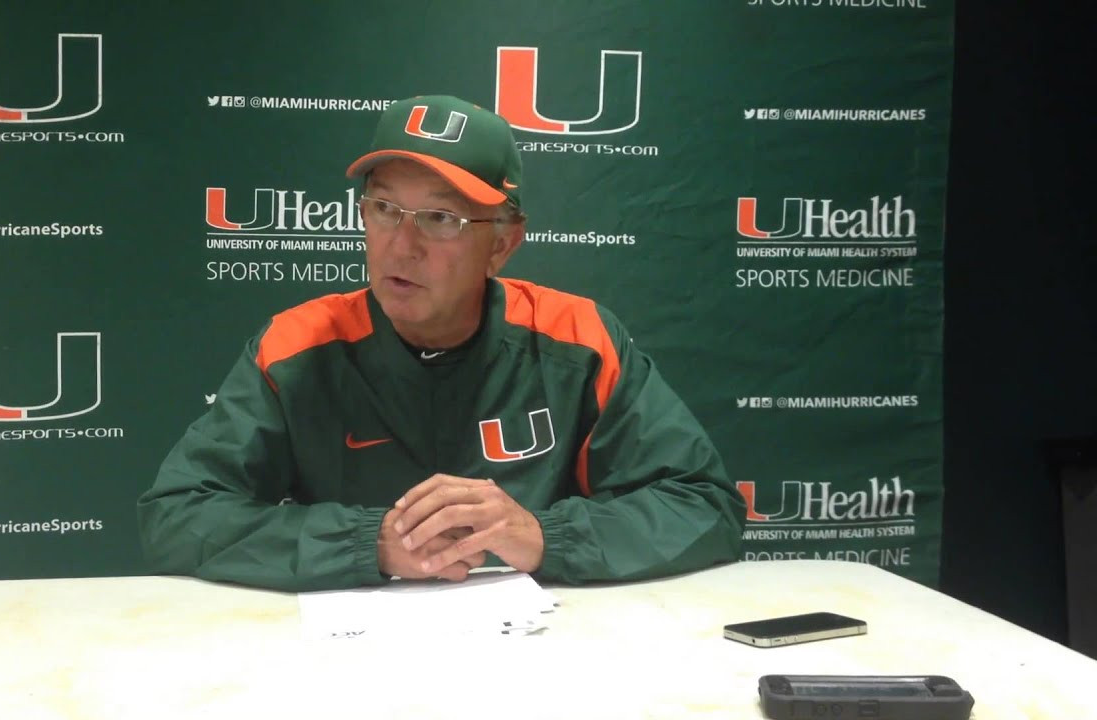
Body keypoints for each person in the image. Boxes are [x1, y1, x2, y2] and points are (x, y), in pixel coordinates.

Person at [137, 95, 744, 592]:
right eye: (384, 209)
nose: (402, 246)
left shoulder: (578, 340)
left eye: (440, 219)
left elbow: (705, 507)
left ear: (502, 243)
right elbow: (177, 515)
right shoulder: (295, 346)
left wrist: (545, 536)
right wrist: (363, 543)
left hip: (545, 660)